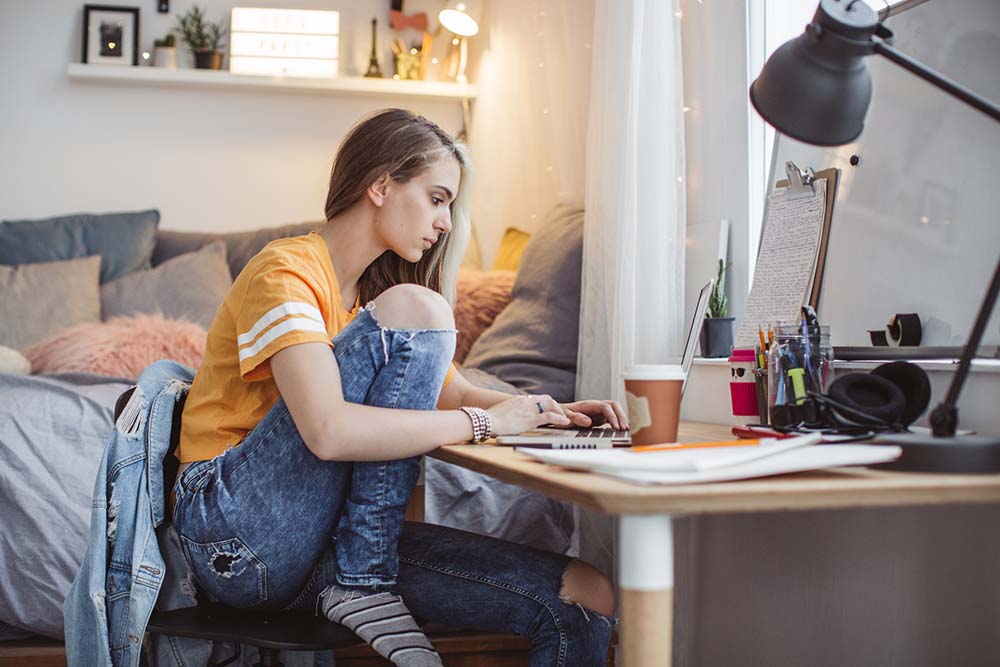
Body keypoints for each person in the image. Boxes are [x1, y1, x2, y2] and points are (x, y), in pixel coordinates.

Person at [172, 108, 625, 666]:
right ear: (381, 185)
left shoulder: (371, 302)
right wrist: (486, 425)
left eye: (450, 207)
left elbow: (453, 393)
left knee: (585, 595)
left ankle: (366, 575)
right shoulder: (284, 273)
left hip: (327, 538)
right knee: (420, 307)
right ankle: (365, 577)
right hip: (237, 535)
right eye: (437, 199)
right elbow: (328, 431)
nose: (446, 223)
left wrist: (538, 410)